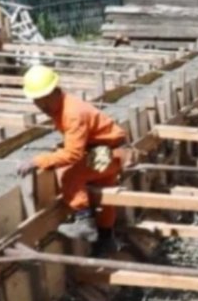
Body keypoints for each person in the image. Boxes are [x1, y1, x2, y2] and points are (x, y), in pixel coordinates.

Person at [16, 65, 127, 245]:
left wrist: (38, 161)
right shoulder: (63, 106)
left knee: (69, 174)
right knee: (105, 193)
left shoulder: (72, 113)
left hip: (108, 153)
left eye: (43, 100)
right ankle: (105, 240)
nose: (41, 106)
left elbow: (73, 154)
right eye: (36, 101)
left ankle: (84, 221)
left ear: (54, 92)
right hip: (107, 150)